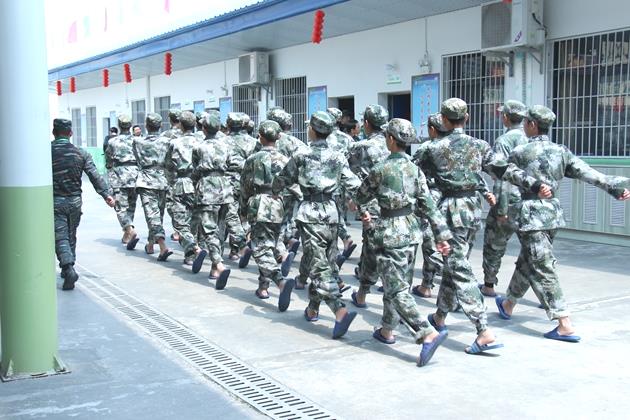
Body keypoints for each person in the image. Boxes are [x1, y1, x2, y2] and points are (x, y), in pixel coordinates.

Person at [493, 105, 630, 342]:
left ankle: (564, 323)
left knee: (542, 267)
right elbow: (588, 173)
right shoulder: (561, 151)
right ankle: (508, 304)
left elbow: (504, 179)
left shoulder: (520, 152)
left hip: (531, 215)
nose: (524, 125)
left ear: (532, 125)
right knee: (528, 260)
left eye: (526, 122)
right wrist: (614, 188)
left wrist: (501, 209)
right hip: (552, 215)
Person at [355, 118, 452, 366]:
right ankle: (387, 329)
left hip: (389, 232)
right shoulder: (415, 169)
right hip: (411, 231)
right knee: (399, 284)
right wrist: (441, 235)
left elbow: (361, 195)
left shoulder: (380, 169)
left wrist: (364, 207)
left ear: (390, 139)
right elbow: (428, 204)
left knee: (396, 288)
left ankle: (426, 333)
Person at [419, 98, 503, 355]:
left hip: (449, 212)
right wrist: (534, 185)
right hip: (472, 212)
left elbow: (409, 175)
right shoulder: (480, 146)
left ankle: (484, 331)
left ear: (443, 120)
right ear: (467, 118)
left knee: (459, 270)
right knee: (454, 266)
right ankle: (440, 316)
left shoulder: (432, 148)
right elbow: (504, 170)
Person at [272, 111, 361, 339]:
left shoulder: (302, 154)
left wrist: (274, 192)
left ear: (312, 130)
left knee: (319, 267)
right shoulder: (337, 156)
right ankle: (312, 308)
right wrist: (364, 205)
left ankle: (339, 311)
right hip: (331, 213)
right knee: (325, 263)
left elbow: (282, 179)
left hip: (310, 213)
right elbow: (354, 184)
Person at [51, 118, 114, 290]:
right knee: (71, 234)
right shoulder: (81, 153)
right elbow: (95, 176)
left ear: (54, 132)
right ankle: (69, 265)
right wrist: (106, 195)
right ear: (70, 133)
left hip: (55, 201)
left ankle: (67, 267)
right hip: (75, 201)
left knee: (60, 236)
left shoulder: (46, 151)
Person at [240, 120, 296, 311]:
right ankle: (263, 287)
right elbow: (292, 186)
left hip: (260, 204)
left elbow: (245, 187)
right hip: (278, 204)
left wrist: (243, 211)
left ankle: (280, 281)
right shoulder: (285, 160)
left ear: (260, 137)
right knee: (270, 245)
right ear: (278, 137)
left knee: (260, 248)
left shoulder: (253, 159)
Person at [480, 100, 529, 298]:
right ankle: (544, 295)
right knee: (532, 249)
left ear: (506, 117)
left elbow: (502, 176)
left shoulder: (504, 141)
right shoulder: (531, 138)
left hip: (509, 200)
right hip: (530, 200)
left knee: (494, 244)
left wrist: (501, 209)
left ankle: (489, 285)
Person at [347, 104, 390, 308]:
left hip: (371, 204)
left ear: (366, 123)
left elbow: (351, 174)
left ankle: (363, 294)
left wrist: (354, 199)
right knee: (390, 248)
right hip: (393, 205)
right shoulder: (393, 143)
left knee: (371, 248)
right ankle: (388, 287)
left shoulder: (361, 147)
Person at [191, 112, 238, 288]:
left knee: (209, 230)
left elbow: (195, 169)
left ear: (204, 129)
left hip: (207, 188)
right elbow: (232, 165)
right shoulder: (226, 146)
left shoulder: (199, 147)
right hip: (224, 187)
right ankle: (214, 268)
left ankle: (218, 264)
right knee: (220, 228)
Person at [410, 113, 451, 298]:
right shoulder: (455, 145)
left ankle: (428, 284)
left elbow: (412, 169)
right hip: (453, 200)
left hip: (431, 197)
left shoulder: (428, 147)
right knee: (449, 241)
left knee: (429, 240)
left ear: (432, 129)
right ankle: (432, 283)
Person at [165, 111, 210, 270]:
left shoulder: (175, 143)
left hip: (182, 182)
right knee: (195, 220)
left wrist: (172, 183)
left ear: (180, 125)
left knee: (180, 223)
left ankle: (193, 249)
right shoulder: (202, 141)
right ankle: (191, 255)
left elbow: (168, 166)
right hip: (199, 183)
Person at [132, 113, 173, 262]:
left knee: (152, 215)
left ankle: (162, 246)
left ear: (146, 126)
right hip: (162, 180)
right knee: (157, 215)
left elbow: (137, 159)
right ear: (160, 125)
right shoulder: (167, 142)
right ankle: (150, 245)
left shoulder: (137, 142)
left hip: (146, 180)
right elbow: (169, 162)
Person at [326, 107, 357, 270]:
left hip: (326, 183)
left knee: (330, 216)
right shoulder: (348, 139)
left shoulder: (323, 136)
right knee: (337, 212)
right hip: (344, 181)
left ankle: (335, 250)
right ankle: (345, 238)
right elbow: (354, 162)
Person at [224, 112, 257, 260]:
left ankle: (239, 247)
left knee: (230, 215)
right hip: (248, 181)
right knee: (243, 215)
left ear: (228, 125)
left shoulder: (222, 141)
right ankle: (236, 249)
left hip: (228, 181)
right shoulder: (253, 142)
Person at [105, 114, 140, 249]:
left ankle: (129, 229)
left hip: (119, 175)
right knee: (131, 205)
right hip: (135, 175)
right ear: (130, 126)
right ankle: (127, 234)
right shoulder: (138, 140)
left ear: (119, 126)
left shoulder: (113, 141)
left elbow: (109, 161)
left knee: (120, 207)